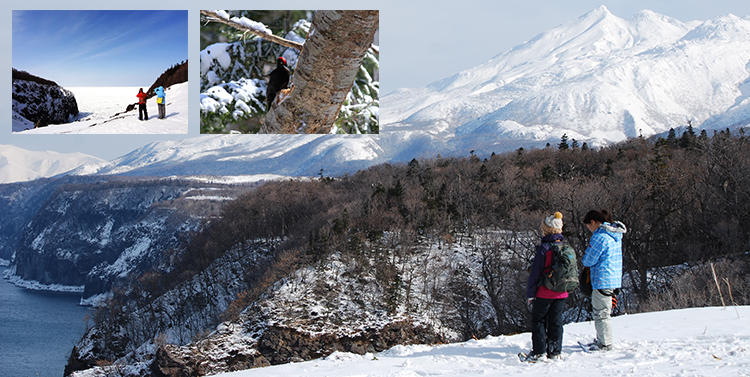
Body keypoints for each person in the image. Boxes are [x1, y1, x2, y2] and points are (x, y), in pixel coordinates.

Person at [523, 212, 569, 362]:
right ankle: (555, 351)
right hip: (561, 292)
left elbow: (535, 273)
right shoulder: (565, 247)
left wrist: (530, 293)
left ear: (546, 230)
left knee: (539, 320)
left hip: (544, 292)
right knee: (556, 321)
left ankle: (539, 351)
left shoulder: (544, 248)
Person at [581, 209, 627, 352]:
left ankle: (605, 343)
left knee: (601, 312)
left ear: (593, 222)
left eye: (589, 226)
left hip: (601, 279)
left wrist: (585, 258)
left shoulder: (600, 237)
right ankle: (602, 339)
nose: (589, 229)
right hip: (613, 279)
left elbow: (588, 260)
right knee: (605, 311)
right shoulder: (615, 235)